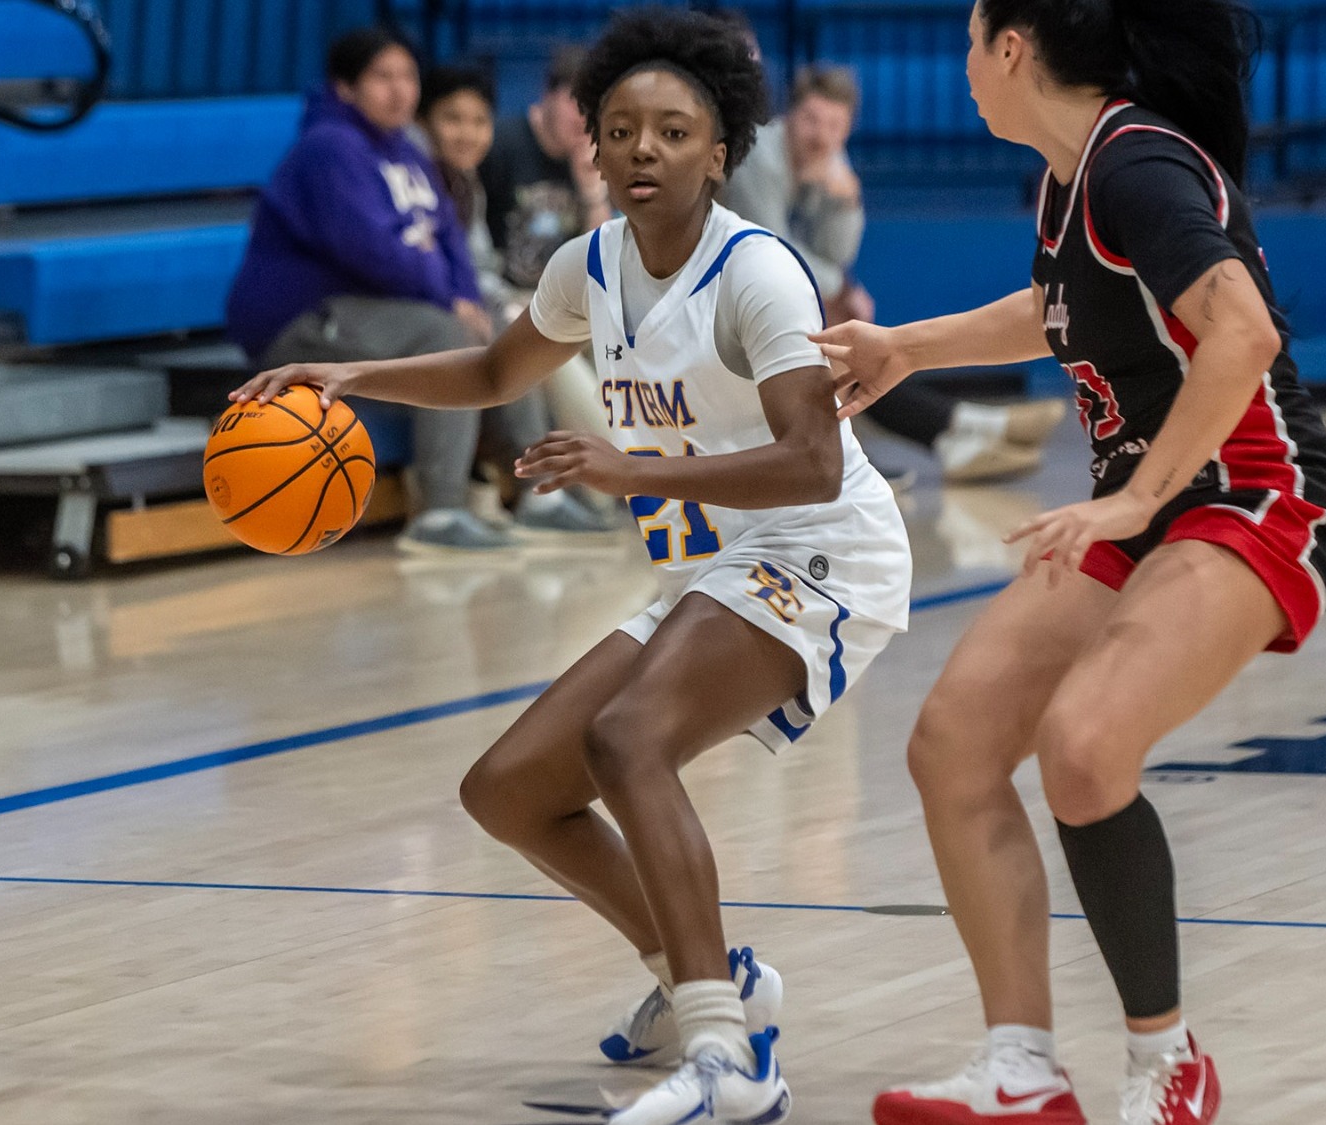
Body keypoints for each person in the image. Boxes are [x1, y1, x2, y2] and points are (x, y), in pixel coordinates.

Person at [232, 9, 912, 1123]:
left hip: (820, 550)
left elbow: (806, 463)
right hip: (713, 565)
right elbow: (497, 369)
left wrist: (622, 467)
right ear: (588, 145)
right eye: (621, 128)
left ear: (719, 151)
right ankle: (710, 979)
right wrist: (344, 377)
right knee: (508, 791)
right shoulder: (585, 265)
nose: (643, 148)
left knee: (628, 740)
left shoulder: (757, 274)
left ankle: (728, 1063)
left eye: (673, 130)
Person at [813, 2, 1326, 1123]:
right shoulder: (1077, 176)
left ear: (1012, 48)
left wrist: (1139, 497)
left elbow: (1242, 333)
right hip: (1149, 507)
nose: (960, 65)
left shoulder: (1136, 164)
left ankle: (1168, 1064)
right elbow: (1061, 311)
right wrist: (906, 345)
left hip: (1256, 495)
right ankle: (1018, 1067)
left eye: (970, 39)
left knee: (1083, 745)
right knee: (953, 747)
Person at [223, 28, 516, 552]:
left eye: (408, 76)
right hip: (300, 318)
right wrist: (450, 302)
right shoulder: (329, 147)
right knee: (448, 335)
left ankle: (538, 493)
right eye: (383, 77)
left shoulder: (408, 152)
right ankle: (439, 513)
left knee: (501, 326)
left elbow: (450, 238)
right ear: (345, 87)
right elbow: (370, 250)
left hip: (375, 313)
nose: (400, 90)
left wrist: (468, 296)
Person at [717, 48, 1068, 483]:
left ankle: (955, 433)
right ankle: (961, 428)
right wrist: (841, 291)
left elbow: (835, 255)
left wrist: (846, 203)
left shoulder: (830, 158)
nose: (820, 134)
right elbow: (767, 250)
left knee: (842, 337)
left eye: (834, 125)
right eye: (810, 120)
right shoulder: (761, 158)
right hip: (717, 295)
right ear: (791, 116)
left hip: (758, 294)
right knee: (837, 334)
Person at [417, 63, 616, 534]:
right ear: (545, 96)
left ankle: (624, 470)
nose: (583, 119)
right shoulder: (499, 147)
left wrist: (591, 189)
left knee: (618, 321)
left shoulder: (586, 158)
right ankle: (603, 479)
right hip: (509, 299)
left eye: (597, 111)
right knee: (537, 340)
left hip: (537, 296)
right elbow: (472, 260)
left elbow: (607, 267)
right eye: (576, 102)